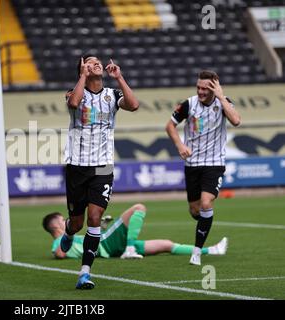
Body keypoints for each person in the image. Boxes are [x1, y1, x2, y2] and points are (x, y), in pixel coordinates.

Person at [61, 54, 139, 289]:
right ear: (82, 70)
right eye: (89, 62)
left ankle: (84, 272)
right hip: (77, 165)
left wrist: (119, 77)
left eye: (97, 61)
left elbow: (133, 105)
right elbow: (73, 104)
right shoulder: (73, 93)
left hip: (103, 166)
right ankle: (68, 232)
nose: (96, 63)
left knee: (94, 218)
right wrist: (83, 76)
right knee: (77, 223)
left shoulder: (112, 95)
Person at [165, 70, 241, 266]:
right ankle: (204, 225)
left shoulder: (222, 103)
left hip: (214, 163)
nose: (200, 91)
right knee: (195, 210)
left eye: (204, 88)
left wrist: (222, 97)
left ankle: (196, 252)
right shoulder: (188, 104)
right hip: (192, 165)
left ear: (214, 87)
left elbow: (236, 120)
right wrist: (180, 145)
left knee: (206, 203)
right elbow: (170, 126)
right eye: (198, 87)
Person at [42, 203, 228, 260]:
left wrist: (101, 227)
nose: (67, 221)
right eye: (62, 220)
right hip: (107, 243)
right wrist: (70, 235)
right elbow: (59, 253)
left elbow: (81, 244)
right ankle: (129, 249)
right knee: (139, 208)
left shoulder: (69, 238)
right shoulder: (58, 242)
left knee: (166, 245)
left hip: (107, 246)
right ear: (57, 226)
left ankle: (209, 250)